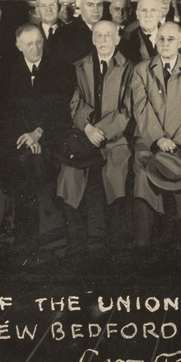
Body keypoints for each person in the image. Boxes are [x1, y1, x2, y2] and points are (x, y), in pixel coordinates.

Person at [0, 23, 74, 260]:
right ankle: (25, 240)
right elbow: (3, 110)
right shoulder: (7, 71)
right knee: (21, 165)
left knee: (39, 165)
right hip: (18, 139)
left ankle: (47, 236)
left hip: (50, 136)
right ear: (19, 46)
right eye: (29, 43)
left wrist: (38, 133)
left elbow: (62, 110)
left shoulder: (59, 68)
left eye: (39, 41)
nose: (35, 47)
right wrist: (27, 136)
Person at [130, 21, 181, 255]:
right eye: (161, 39)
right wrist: (159, 139)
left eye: (170, 39)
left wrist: (178, 143)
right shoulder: (141, 70)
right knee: (144, 179)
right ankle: (144, 247)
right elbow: (140, 108)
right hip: (149, 142)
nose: (164, 43)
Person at [58, 20, 134, 257]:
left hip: (114, 139)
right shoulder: (79, 66)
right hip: (84, 136)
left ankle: (114, 246)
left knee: (115, 176)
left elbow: (128, 110)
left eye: (108, 35)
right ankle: (76, 246)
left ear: (117, 39)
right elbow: (74, 102)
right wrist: (88, 128)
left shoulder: (130, 68)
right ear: (92, 39)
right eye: (98, 36)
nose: (103, 41)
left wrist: (101, 133)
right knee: (70, 176)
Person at [49, 0, 104, 66]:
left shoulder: (109, 30)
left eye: (99, 5)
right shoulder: (64, 33)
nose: (95, 10)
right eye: (90, 5)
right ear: (80, 6)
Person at [120, 0, 163, 64]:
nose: (148, 15)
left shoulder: (173, 37)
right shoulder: (126, 42)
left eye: (153, 10)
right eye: (144, 10)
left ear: (159, 15)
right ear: (137, 14)